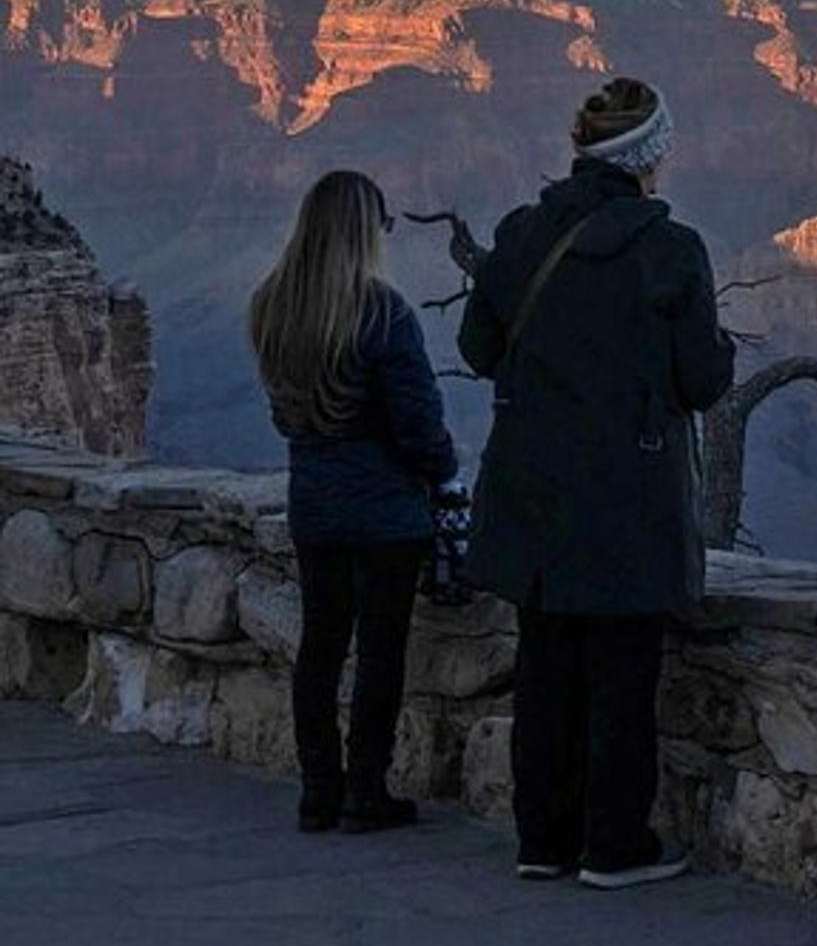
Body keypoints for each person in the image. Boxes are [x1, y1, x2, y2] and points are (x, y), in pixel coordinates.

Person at [459, 77, 735, 890]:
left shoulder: (520, 236)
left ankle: (541, 837)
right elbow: (703, 378)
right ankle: (615, 842)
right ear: (649, 157)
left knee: (545, 664)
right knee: (624, 668)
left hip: (534, 489)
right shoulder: (671, 250)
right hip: (630, 493)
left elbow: (479, 350)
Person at [249, 170, 461, 834]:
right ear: (364, 232)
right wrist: (447, 476)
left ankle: (318, 789)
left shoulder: (271, 305)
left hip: (313, 504)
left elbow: (285, 415)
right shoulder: (383, 311)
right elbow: (418, 422)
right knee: (379, 649)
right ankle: (366, 787)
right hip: (386, 514)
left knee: (320, 644)